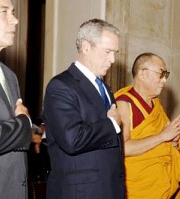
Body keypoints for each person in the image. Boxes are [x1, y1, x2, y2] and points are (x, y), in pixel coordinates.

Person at [41, 18, 125, 199]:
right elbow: (72, 139)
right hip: (79, 193)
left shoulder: (104, 88)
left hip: (109, 188)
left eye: (114, 52)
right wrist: (111, 124)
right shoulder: (60, 86)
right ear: (86, 47)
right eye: (108, 52)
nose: (112, 60)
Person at [115, 52, 180, 199]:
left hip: (163, 187)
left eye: (166, 75)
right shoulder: (123, 104)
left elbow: (165, 147)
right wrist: (162, 136)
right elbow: (123, 148)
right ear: (143, 74)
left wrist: (174, 142)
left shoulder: (156, 106)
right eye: (161, 74)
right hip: (136, 189)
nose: (164, 80)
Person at [0, 0, 33, 198]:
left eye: (14, 12)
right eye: (4, 12)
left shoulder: (10, 75)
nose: (15, 20)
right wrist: (23, 124)